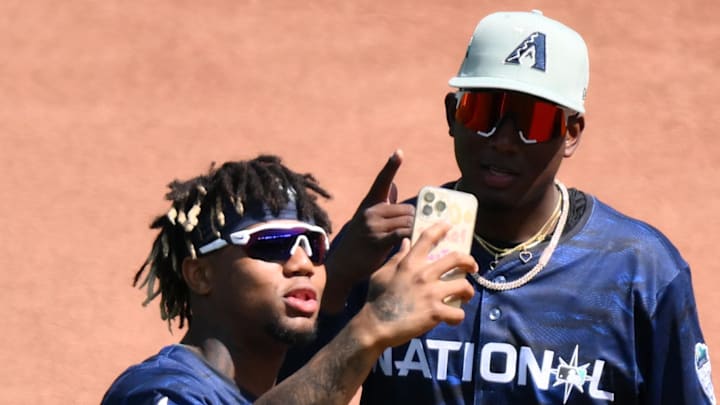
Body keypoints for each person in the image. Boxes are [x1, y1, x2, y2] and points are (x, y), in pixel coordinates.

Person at [281, 9, 716, 404]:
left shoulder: (640, 272)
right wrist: (336, 282)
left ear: (571, 133)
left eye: (534, 120)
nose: (504, 140)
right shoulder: (386, 252)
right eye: (483, 111)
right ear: (452, 114)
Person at [101, 154, 478, 404]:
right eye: (272, 244)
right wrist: (373, 328)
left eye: (315, 246)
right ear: (200, 274)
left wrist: (342, 274)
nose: (302, 263)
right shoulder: (160, 391)